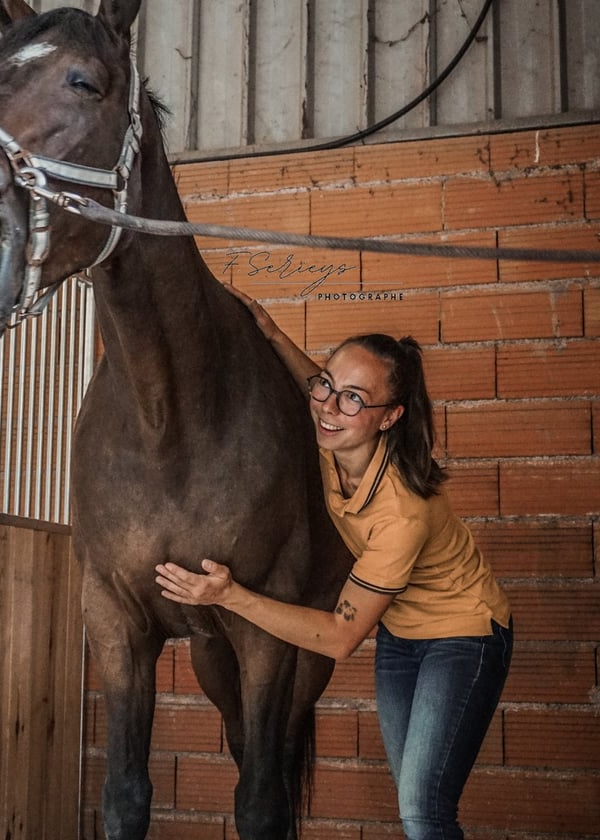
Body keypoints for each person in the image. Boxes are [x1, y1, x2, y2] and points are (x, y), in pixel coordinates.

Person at [155, 284, 513, 840]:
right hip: (402, 637)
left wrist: (230, 596)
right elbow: (317, 390)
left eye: (352, 398)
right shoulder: (337, 440)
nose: (327, 406)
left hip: (464, 636)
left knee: (423, 809)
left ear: (390, 417)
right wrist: (272, 333)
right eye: (328, 385)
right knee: (415, 797)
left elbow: (338, 638)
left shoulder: (403, 510)